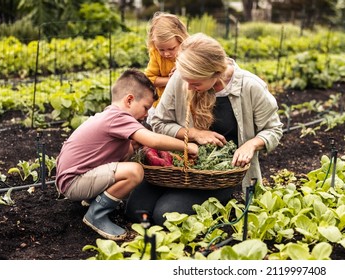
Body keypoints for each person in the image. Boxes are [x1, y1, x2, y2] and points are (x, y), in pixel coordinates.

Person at [125, 33, 283, 226]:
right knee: (136, 211)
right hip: (180, 164)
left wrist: (251, 145)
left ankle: (222, 198)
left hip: (221, 173)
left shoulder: (250, 87)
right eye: (186, 80)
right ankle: (174, 193)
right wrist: (194, 134)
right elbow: (158, 122)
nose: (188, 87)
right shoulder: (183, 78)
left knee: (163, 216)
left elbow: (273, 130)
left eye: (195, 83)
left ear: (215, 73)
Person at [55, 69, 198, 240]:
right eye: (145, 108)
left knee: (129, 151)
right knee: (135, 171)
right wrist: (186, 146)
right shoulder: (119, 117)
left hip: (72, 178)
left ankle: (94, 198)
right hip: (73, 182)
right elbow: (152, 140)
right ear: (129, 100)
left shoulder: (110, 114)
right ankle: (96, 215)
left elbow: (133, 148)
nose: (146, 115)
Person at [144, 12, 189, 123]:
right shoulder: (155, 54)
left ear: (181, 39)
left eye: (171, 48)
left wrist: (181, 71)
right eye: (162, 49)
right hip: (162, 103)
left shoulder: (190, 52)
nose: (166, 54)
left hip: (186, 103)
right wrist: (172, 80)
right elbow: (149, 79)